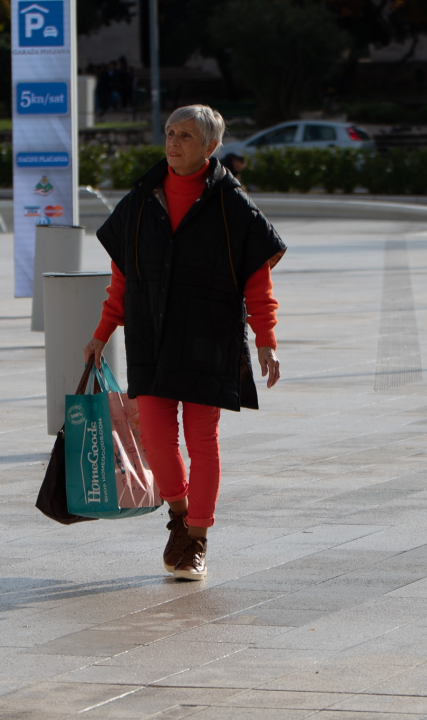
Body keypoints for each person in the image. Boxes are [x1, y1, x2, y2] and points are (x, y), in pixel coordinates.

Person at [84, 105, 285, 581]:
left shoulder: (234, 207)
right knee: (154, 439)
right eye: (170, 134)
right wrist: (101, 332)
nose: (173, 144)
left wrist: (266, 340)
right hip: (151, 339)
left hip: (208, 340)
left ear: (211, 148)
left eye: (187, 137)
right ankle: (179, 516)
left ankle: (197, 536)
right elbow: (123, 279)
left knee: (202, 440)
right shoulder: (139, 201)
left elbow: (258, 282)